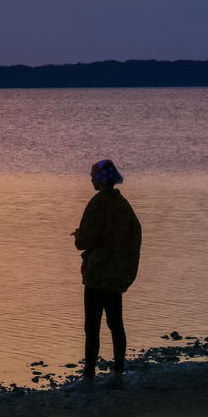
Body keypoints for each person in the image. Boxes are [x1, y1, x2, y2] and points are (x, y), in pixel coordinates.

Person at [72, 159, 142, 387]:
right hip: (115, 277)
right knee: (116, 324)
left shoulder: (97, 204)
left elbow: (84, 241)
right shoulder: (123, 205)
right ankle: (118, 373)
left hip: (97, 276)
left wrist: (78, 236)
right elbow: (135, 233)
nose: (91, 179)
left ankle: (89, 377)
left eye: (93, 176)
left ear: (100, 179)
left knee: (91, 327)